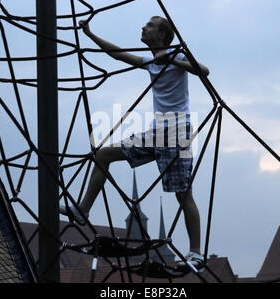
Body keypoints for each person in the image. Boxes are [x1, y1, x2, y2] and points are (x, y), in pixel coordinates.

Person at [60, 16, 210, 270]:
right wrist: (89, 34)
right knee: (104, 154)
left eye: (149, 25)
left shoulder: (176, 53)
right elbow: (118, 54)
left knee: (183, 195)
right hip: (156, 131)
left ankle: (195, 253)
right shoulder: (149, 61)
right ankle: (82, 210)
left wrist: (171, 59)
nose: (143, 27)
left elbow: (204, 71)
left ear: (162, 34)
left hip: (177, 131)